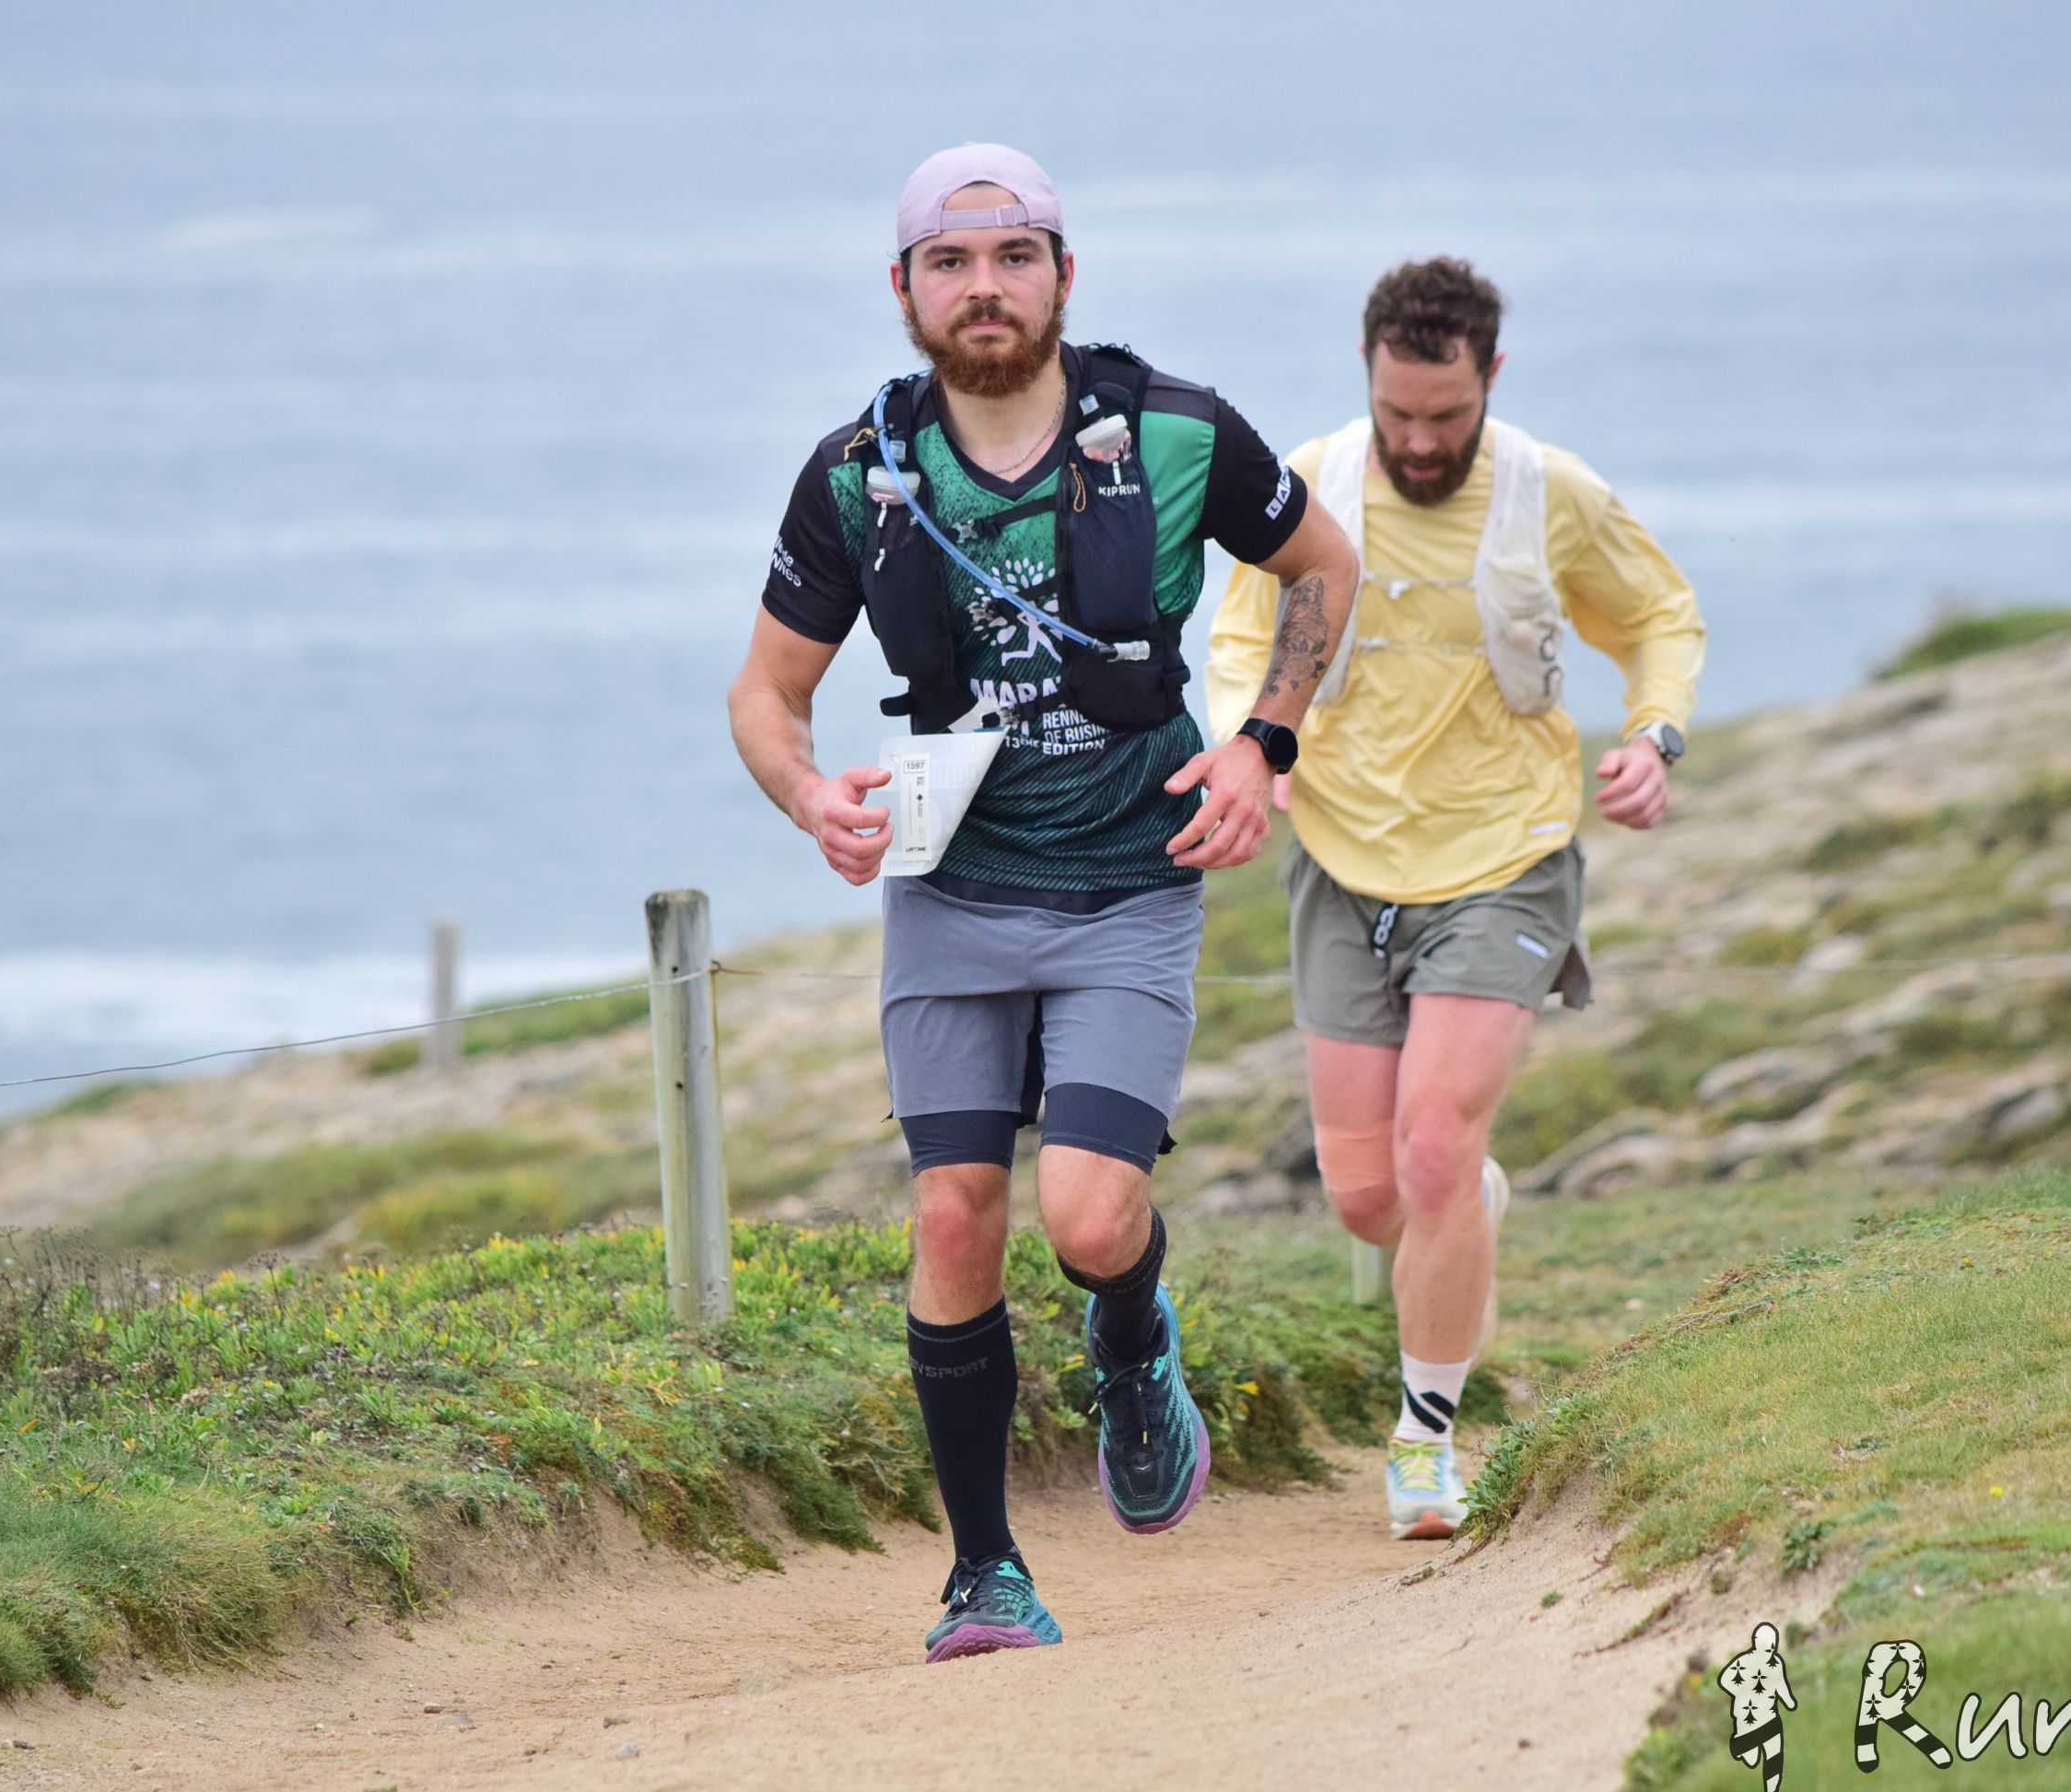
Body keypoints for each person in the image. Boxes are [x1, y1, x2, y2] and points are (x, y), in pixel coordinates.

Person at [728, 145, 1358, 1660]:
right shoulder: (857, 473)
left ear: (1064, 275)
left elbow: (1324, 571)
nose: (985, 288)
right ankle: (986, 1574)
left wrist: (1262, 745)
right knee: (953, 1211)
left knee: (1086, 1216)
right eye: (950, 264)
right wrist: (808, 795)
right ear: (904, 291)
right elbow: (764, 691)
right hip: (952, 885)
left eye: (1014, 257)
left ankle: (1133, 1342)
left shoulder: (1177, 432)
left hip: (1129, 878)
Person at [1204, 256, 1703, 1540]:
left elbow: (1660, 617)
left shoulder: (1550, 492)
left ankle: (1424, 1442)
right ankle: (1464, 1213)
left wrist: (1654, 736)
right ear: (1365, 378)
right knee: (1370, 1195)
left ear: (1492, 376)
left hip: (1505, 862)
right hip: (1342, 862)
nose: (1421, 442)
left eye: (1447, 415)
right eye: (1399, 415)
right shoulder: (1307, 484)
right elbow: (1242, 640)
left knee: (1432, 1147)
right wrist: (1248, 748)